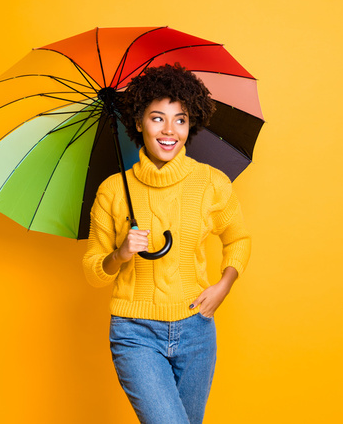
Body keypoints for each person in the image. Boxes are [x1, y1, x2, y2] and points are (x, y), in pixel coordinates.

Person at [82, 63, 251, 424]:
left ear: (192, 125)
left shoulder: (211, 183)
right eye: (157, 118)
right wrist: (121, 253)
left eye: (181, 119)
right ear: (138, 122)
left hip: (196, 328)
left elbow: (238, 238)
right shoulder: (113, 190)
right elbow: (94, 271)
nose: (169, 130)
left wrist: (225, 284)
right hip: (134, 331)